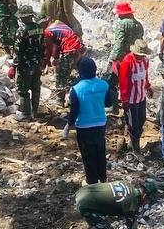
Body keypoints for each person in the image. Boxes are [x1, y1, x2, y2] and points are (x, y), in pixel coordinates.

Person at [74, 179, 161, 229]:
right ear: (145, 196)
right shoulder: (131, 204)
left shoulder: (127, 185)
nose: (147, 203)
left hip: (84, 191)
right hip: (86, 204)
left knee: (100, 225)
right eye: (149, 201)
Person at [64, 56, 116, 184]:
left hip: (84, 126)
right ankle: (103, 178)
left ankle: (92, 182)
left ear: (80, 71)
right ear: (94, 69)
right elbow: (108, 103)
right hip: (100, 124)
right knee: (100, 151)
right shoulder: (103, 84)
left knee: (88, 155)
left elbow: (74, 111)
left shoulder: (76, 89)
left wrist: (69, 125)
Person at [118, 38, 152, 155]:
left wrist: (148, 87)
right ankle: (135, 148)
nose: (141, 57)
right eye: (139, 55)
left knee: (141, 120)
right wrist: (125, 100)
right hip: (131, 99)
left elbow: (145, 76)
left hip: (141, 96)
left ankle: (132, 140)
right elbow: (123, 82)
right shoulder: (127, 62)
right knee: (134, 124)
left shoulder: (145, 61)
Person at [108, 2, 145, 110]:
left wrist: (113, 58)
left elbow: (119, 43)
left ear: (123, 14)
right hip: (133, 57)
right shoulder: (139, 25)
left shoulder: (122, 24)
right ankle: (129, 104)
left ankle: (113, 106)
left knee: (111, 81)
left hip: (121, 58)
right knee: (128, 81)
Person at [13, 4, 44, 122]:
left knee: (23, 89)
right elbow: (43, 46)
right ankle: (35, 112)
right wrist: (42, 61)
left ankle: (25, 114)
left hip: (25, 65)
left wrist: (15, 65)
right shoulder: (38, 28)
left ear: (25, 17)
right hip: (37, 63)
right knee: (36, 87)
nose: (20, 18)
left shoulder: (21, 30)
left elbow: (18, 49)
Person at [43, 20, 86, 104]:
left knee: (61, 74)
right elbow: (59, 42)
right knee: (74, 72)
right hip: (79, 48)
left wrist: (50, 61)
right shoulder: (60, 24)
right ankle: (77, 94)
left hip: (70, 50)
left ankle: (60, 99)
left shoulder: (48, 31)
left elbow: (51, 48)